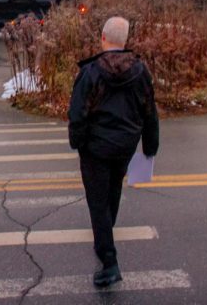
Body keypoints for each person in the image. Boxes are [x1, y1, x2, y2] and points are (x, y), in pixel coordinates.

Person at [67, 16, 159, 288]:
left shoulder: (91, 72)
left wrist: (77, 142)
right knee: (113, 191)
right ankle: (105, 234)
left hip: (96, 147)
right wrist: (149, 146)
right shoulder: (141, 72)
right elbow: (150, 111)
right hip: (125, 146)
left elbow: (78, 113)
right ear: (125, 41)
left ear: (103, 38)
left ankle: (109, 262)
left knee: (97, 202)